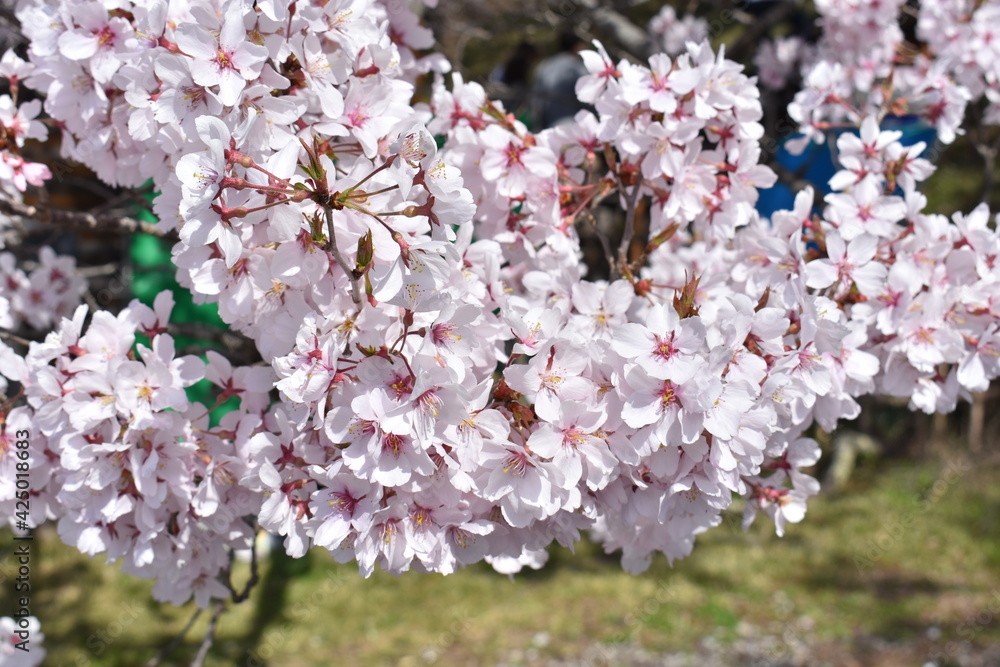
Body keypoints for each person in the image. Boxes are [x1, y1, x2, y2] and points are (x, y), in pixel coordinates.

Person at [531, 30, 590, 130]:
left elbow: (535, 100)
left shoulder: (544, 65)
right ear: (577, 46)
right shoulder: (575, 66)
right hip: (572, 125)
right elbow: (589, 94)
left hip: (548, 127)